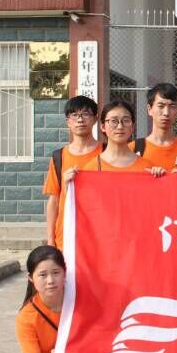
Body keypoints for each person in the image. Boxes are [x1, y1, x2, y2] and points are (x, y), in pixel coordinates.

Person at [42, 96, 103, 249]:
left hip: (99, 235)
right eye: (75, 115)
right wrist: (50, 239)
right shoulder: (59, 157)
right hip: (66, 235)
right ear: (67, 121)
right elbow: (54, 200)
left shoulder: (107, 151)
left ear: (95, 119)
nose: (80, 120)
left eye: (86, 114)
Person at [77, 99, 164, 175]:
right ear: (103, 127)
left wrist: (160, 178)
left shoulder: (147, 168)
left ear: (132, 127)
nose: (120, 126)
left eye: (126, 120)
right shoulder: (91, 168)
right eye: (113, 121)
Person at [130, 82, 177, 172]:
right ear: (149, 109)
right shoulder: (133, 149)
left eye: (172, 106)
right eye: (161, 106)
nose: (166, 113)